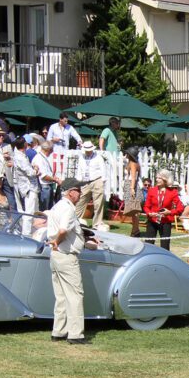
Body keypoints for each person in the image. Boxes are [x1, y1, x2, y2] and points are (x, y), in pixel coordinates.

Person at [45, 179, 92, 343]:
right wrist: (58, 240)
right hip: (65, 254)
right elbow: (64, 229)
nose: (80, 194)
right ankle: (75, 334)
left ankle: (58, 331)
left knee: (61, 296)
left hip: (55, 255)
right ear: (71, 192)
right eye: (78, 190)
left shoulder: (56, 206)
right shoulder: (68, 209)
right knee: (75, 295)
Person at [143, 170, 183, 249]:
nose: (157, 180)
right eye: (156, 178)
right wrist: (149, 213)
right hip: (152, 221)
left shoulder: (173, 192)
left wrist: (170, 212)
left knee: (165, 246)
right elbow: (146, 206)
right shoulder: (152, 190)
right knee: (148, 245)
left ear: (165, 179)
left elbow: (180, 208)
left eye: (159, 178)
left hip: (165, 222)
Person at [76, 142, 107, 230]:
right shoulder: (81, 158)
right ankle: (76, 221)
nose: (88, 152)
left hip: (97, 180)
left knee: (98, 203)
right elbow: (79, 170)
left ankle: (97, 224)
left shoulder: (98, 157)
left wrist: (102, 181)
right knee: (80, 201)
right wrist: (78, 182)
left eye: (89, 150)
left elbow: (103, 169)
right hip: (85, 182)